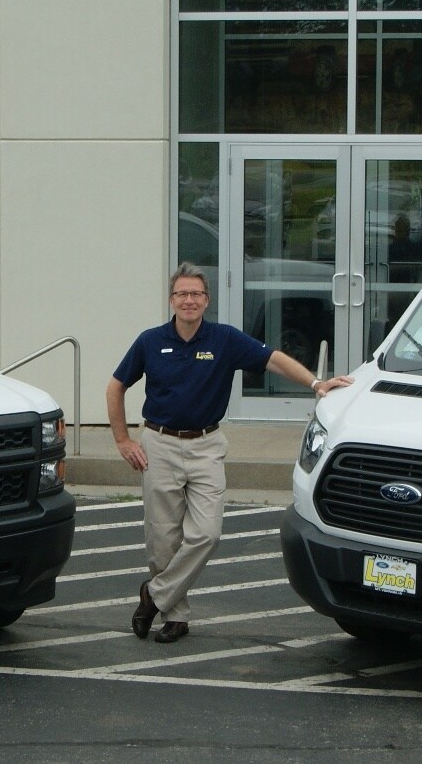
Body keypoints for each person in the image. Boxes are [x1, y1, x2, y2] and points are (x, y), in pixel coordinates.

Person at [107, 262, 353, 643]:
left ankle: (153, 596)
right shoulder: (150, 341)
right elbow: (115, 387)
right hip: (159, 445)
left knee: (207, 533)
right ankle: (176, 617)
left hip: (206, 445)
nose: (189, 300)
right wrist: (123, 441)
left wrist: (316, 383)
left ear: (206, 300)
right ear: (172, 300)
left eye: (196, 294)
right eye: (182, 294)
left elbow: (273, 358)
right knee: (162, 541)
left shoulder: (224, 339)